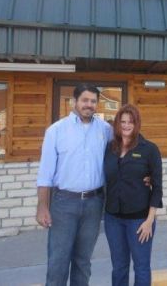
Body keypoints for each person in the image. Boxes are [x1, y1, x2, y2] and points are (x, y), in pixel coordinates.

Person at [36, 83, 113, 286]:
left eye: (93, 101)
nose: (89, 104)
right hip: (63, 204)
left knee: (83, 261)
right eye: (85, 100)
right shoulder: (56, 131)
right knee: (58, 261)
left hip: (94, 203)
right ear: (74, 102)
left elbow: (124, 152)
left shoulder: (105, 130)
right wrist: (43, 207)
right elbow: (45, 174)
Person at [104, 104, 163, 286]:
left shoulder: (149, 149)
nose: (126, 125)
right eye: (122, 121)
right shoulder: (109, 148)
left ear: (137, 124)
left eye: (130, 121)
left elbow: (157, 187)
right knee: (119, 267)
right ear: (117, 124)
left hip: (140, 220)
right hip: (113, 219)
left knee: (141, 266)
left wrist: (149, 221)